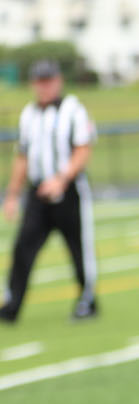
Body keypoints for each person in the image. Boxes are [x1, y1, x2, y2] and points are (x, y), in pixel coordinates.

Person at [1, 59, 97, 322]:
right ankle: (12, 305)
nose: (44, 86)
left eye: (49, 80)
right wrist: (12, 194)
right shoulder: (28, 114)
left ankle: (87, 300)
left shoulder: (73, 109)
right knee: (23, 248)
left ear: (58, 81)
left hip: (69, 191)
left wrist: (61, 178)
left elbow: (83, 149)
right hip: (38, 192)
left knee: (78, 248)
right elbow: (22, 157)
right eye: (39, 81)